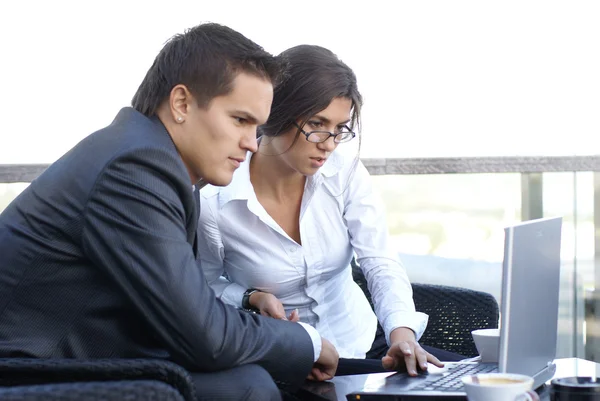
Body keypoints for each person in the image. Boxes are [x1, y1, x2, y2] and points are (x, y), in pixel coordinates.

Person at [0, 23, 339, 401]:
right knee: (247, 389)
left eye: (257, 127)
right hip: (24, 376)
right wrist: (305, 340)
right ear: (181, 104)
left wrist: (276, 341)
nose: (252, 144)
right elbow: (205, 336)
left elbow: (188, 308)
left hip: (81, 360)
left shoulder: (154, 160)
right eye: (240, 120)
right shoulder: (135, 169)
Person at [197, 45, 463, 377]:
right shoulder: (216, 201)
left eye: (340, 128)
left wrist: (402, 334)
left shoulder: (344, 172)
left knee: (481, 380)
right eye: (317, 124)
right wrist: (248, 297)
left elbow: (379, 260)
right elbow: (202, 291)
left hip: (366, 339)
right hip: (295, 361)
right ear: (275, 112)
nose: (329, 143)